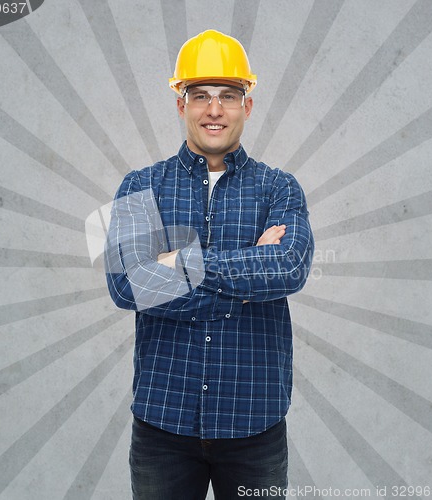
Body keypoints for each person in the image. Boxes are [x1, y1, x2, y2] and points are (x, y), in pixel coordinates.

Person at [105, 29, 314, 500]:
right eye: (200, 95)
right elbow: (126, 286)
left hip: (254, 425)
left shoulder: (280, 188)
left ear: (247, 106)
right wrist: (246, 275)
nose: (214, 109)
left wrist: (177, 261)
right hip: (163, 425)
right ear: (182, 105)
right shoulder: (140, 185)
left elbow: (289, 268)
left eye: (228, 96)